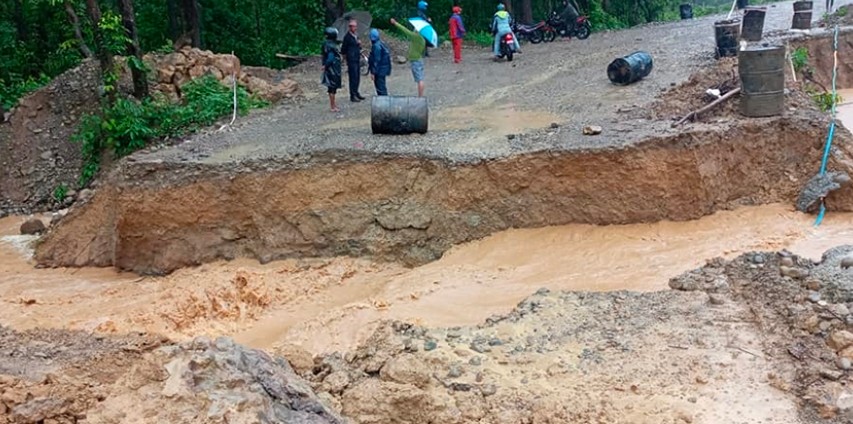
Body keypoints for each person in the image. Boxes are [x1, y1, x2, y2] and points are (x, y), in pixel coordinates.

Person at [390, 18, 426, 97]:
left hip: (415, 60)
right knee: (420, 78)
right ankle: (421, 95)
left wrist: (396, 23)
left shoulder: (416, 37)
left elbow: (405, 31)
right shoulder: (422, 39)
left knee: (419, 79)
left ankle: (421, 97)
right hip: (419, 59)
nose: (414, 30)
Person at [340, 19, 365, 102]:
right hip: (351, 59)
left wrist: (359, 44)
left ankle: (356, 92)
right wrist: (345, 58)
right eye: (354, 26)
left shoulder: (356, 35)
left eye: (355, 26)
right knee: (353, 77)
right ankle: (352, 95)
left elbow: (359, 46)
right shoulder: (347, 37)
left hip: (357, 58)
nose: (355, 28)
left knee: (357, 77)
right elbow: (343, 49)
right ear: (350, 27)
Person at [321, 27, 342, 112]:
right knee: (332, 87)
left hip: (331, 68)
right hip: (332, 68)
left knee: (331, 87)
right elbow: (330, 58)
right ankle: (333, 106)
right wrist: (325, 66)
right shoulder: (330, 45)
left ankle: (333, 105)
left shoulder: (327, 44)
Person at [368, 29, 392, 96]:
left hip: (379, 70)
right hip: (383, 69)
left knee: (380, 88)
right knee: (382, 86)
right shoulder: (381, 43)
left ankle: (384, 102)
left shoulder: (376, 46)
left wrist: (373, 72)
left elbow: (376, 60)